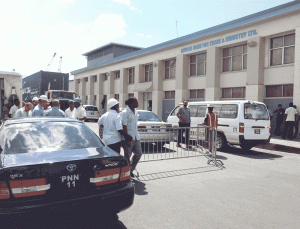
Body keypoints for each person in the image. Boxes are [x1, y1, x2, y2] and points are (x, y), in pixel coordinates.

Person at [120, 97, 143, 177]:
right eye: (136, 101)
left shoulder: (135, 112)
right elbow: (124, 126)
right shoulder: (125, 112)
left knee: (139, 153)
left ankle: (130, 170)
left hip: (136, 137)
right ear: (132, 103)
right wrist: (127, 139)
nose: (137, 103)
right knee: (127, 156)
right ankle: (126, 174)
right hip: (128, 138)